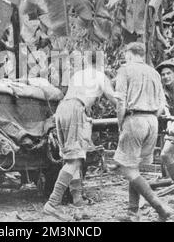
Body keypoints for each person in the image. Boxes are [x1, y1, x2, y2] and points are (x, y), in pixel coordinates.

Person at [43, 52, 117, 221]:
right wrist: (126, 112)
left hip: (63, 110)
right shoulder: (100, 76)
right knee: (74, 160)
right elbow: (113, 98)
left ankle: (79, 206)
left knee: (72, 158)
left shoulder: (78, 75)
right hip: (76, 109)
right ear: (101, 63)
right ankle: (52, 204)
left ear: (85, 61)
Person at [114, 42, 172, 222]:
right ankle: (133, 212)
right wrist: (152, 116)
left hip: (135, 119)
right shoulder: (154, 72)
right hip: (152, 121)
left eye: (125, 54)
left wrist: (120, 121)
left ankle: (160, 206)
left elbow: (120, 101)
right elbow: (162, 104)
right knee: (135, 166)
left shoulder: (125, 70)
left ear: (130, 54)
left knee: (126, 168)